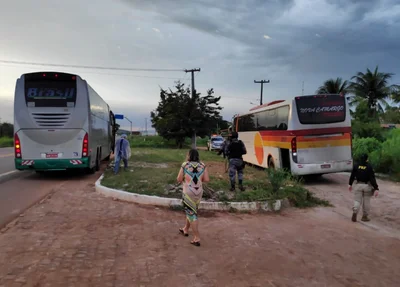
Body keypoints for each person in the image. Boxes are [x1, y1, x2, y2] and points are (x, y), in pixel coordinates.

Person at [176, 149, 209, 247]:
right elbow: (206, 179)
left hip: (188, 192)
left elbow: (178, 179)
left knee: (191, 214)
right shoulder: (203, 165)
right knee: (191, 211)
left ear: (189, 155)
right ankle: (185, 229)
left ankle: (197, 238)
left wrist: (186, 179)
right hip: (198, 192)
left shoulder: (185, 165)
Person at [348, 153, 379, 222]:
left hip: (358, 185)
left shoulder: (356, 165)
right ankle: (364, 216)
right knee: (366, 201)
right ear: (367, 159)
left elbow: (352, 175)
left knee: (357, 200)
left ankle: (355, 210)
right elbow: (372, 178)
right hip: (367, 186)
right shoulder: (369, 167)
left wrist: (350, 184)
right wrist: (376, 188)